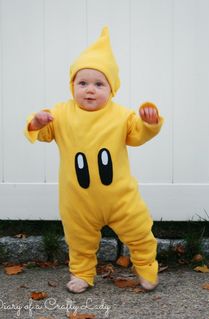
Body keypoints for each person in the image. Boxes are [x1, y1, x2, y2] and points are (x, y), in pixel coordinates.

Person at [25, 26, 164, 293]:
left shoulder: (121, 115)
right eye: (82, 83)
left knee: (139, 232)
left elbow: (138, 135)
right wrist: (36, 122)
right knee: (79, 239)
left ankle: (147, 269)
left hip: (120, 196)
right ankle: (82, 273)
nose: (90, 90)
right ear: (72, 85)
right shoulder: (61, 113)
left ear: (112, 89)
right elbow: (43, 133)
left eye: (99, 84)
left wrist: (150, 122)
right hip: (78, 198)